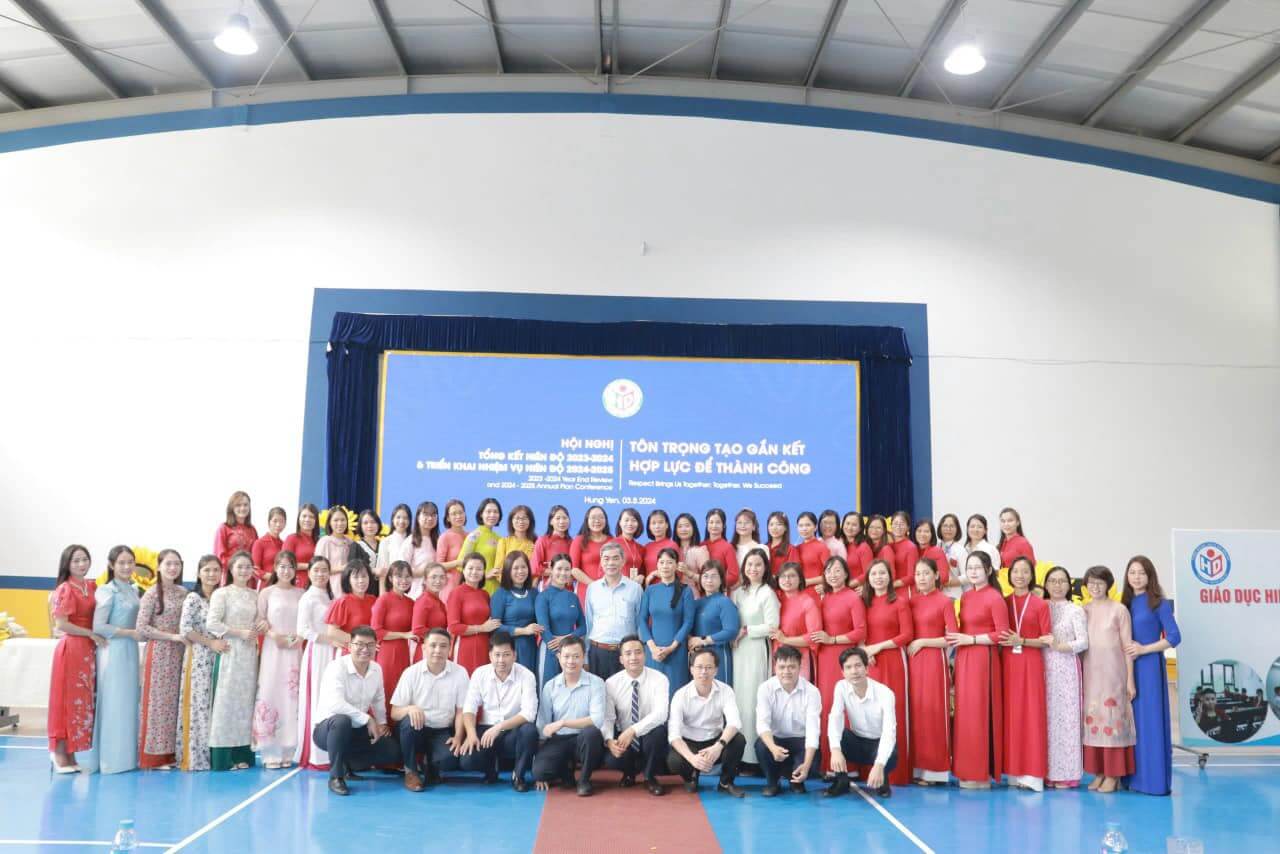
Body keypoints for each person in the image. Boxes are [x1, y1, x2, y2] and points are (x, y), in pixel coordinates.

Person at [312, 625, 401, 796]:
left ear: (376, 646)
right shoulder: (336, 667)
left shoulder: (376, 669)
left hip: (356, 729)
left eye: (370, 645)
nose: (365, 649)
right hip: (328, 730)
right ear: (349, 646)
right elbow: (335, 704)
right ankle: (336, 777)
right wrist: (367, 719)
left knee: (391, 750)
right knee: (342, 720)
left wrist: (382, 723)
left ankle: (349, 764)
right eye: (359, 644)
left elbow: (378, 699)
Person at [947, 550, 1009, 788]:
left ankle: (980, 772)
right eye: (969, 568)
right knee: (964, 714)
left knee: (979, 713)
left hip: (984, 658)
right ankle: (966, 770)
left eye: (977, 568)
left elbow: (1002, 634)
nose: (973, 572)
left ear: (989, 570)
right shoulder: (965, 597)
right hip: (965, 657)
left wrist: (972, 640)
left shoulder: (994, 597)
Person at [81, 545, 142, 775]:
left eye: (130, 562)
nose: (126, 567)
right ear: (112, 565)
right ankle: (111, 760)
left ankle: (127, 758)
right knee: (114, 701)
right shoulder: (107, 591)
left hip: (130, 649)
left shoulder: (133, 589)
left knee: (128, 702)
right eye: (121, 563)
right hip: (113, 649)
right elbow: (99, 626)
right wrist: (129, 633)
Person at [1122, 555, 1180, 796]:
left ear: (1150, 576)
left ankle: (1153, 782)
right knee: (1132, 725)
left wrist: (1144, 649)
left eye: (1141, 573)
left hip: (1149, 669)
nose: (1136, 577)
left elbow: (1174, 637)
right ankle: (1132, 779)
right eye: (1132, 572)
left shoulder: (1159, 603)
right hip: (1126, 669)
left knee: (1151, 723)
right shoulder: (1124, 604)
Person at [390, 628, 469, 791]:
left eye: (443, 646)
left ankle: (430, 765)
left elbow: (461, 711)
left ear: (450, 649)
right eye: (433, 645)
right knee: (408, 722)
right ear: (424, 648)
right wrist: (410, 708)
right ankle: (411, 771)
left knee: (450, 760)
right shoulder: (411, 673)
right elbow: (394, 712)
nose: (438, 650)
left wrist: (458, 736)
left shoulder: (460, 673)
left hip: (442, 730)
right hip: (416, 729)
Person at [207, 550, 265, 771]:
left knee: (245, 704)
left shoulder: (255, 595)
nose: (244, 570)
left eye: (248, 567)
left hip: (249, 655)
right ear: (231, 569)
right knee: (226, 703)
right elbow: (212, 623)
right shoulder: (222, 593)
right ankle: (224, 757)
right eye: (239, 566)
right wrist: (239, 632)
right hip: (230, 652)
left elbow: (259, 620)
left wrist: (262, 624)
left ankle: (243, 754)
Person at [459, 631, 539, 790]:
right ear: (490, 656)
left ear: (514, 655)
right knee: (467, 761)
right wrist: (471, 733)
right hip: (486, 730)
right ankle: (490, 770)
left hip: (512, 730)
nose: (501, 660)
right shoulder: (479, 674)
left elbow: (529, 713)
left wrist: (499, 727)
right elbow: (469, 708)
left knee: (529, 731)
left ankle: (518, 775)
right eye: (497, 655)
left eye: (506, 655)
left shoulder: (526, 676)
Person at [999, 555, 1052, 791]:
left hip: (1030, 662)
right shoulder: (1003, 602)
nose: (1020, 575)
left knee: (1031, 714)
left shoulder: (1040, 604)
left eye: (1025, 571)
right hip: (1007, 662)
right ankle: (1013, 771)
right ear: (1009, 575)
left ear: (1032, 576)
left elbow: (1047, 639)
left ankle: (1032, 773)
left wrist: (1022, 640)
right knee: (1011, 715)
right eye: (1016, 571)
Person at [48, 544, 102, 773]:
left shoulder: (92, 586)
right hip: (71, 648)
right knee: (65, 700)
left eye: (84, 559)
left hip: (88, 651)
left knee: (81, 701)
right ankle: (58, 751)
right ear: (67, 564)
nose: (81, 564)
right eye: (76, 560)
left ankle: (71, 751)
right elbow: (61, 624)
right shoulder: (65, 589)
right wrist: (89, 633)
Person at [667, 646, 747, 797]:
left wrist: (718, 747)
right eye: (699, 667)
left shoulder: (725, 690)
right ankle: (691, 777)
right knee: (674, 761)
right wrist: (692, 758)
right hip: (690, 742)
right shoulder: (680, 695)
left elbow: (734, 722)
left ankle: (725, 782)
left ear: (716, 670)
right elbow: (674, 735)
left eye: (709, 667)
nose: (704, 672)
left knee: (738, 740)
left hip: (715, 740)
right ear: (691, 669)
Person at [861, 558, 913, 787]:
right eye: (874, 574)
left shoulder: (899, 602)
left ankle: (895, 772)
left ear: (890, 577)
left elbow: (907, 635)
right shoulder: (864, 602)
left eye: (882, 573)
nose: (878, 578)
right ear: (868, 578)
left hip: (892, 660)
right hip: (869, 663)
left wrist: (878, 647)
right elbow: (859, 630)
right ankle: (869, 769)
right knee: (870, 714)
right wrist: (865, 650)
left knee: (893, 711)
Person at [1081, 565, 1134, 793]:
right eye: (1091, 582)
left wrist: (1130, 680)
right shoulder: (1083, 610)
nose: (1095, 587)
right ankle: (1099, 772)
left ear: (1108, 585)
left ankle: (1113, 775)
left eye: (1100, 582)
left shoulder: (1119, 610)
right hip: (1090, 674)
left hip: (1114, 674)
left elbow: (1128, 647)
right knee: (1094, 722)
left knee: (1112, 721)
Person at [135, 549, 189, 769]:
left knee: (175, 703)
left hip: (180, 653)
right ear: (159, 567)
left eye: (177, 564)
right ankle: (154, 756)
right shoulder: (151, 594)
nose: (173, 568)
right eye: (168, 564)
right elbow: (141, 627)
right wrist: (171, 636)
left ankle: (172, 753)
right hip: (159, 653)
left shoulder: (183, 593)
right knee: (158, 703)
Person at [533, 636, 607, 796]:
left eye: (576, 656)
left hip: (584, 739)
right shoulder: (550, 686)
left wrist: (563, 723)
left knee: (591, 733)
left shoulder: (597, 683)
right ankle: (566, 770)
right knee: (539, 772)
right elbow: (543, 724)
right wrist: (540, 758)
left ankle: (584, 780)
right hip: (559, 739)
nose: (571, 661)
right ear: (559, 657)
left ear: (583, 656)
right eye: (566, 656)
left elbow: (597, 720)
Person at [813, 556, 866, 771]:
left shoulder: (852, 597)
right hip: (824, 657)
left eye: (837, 570)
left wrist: (833, 639)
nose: (833, 574)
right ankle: (829, 764)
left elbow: (860, 631)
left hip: (844, 657)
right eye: (828, 570)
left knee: (845, 707)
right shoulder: (824, 598)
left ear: (846, 573)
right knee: (827, 706)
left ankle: (848, 766)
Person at [907, 556, 956, 785]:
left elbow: (952, 637)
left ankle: (936, 770)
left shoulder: (945, 601)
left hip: (934, 661)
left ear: (936, 575)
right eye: (918, 574)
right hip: (912, 662)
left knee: (934, 712)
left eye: (926, 573)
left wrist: (924, 641)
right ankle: (917, 768)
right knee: (916, 712)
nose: (922, 578)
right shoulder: (911, 601)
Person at [823, 647, 897, 798]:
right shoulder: (841, 687)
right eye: (848, 667)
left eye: (858, 666)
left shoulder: (885, 693)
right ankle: (842, 781)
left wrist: (879, 765)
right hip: (856, 741)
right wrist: (835, 750)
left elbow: (889, 732)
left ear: (866, 668)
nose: (854, 671)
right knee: (837, 735)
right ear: (843, 672)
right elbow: (835, 718)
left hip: (878, 743)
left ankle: (882, 779)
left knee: (891, 751)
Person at [602, 635, 671, 796]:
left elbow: (661, 714)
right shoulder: (611, 683)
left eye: (638, 652)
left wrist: (633, 730)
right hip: (624, 737)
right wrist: (609, 740)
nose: (633, 657)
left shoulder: (660, 679)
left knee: (658, 732)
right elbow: (608, 718)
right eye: (628, 653)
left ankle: (649, 777)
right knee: (611, 759)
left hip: (649, 734)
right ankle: (629, 774)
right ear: (621, 659)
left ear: (645, 655)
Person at [254, 550, 304, 768]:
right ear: (275, 568)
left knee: (291, 696)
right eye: (282, 566)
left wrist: (293, 639)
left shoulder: (301, 593)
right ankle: (270, 750)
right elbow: (260, 621)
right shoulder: (267, 593)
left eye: (290, 566)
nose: (286, 571)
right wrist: (275, 636)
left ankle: (289, 748)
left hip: (295, 650)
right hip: (273, 649)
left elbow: (306, 624)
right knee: (270, 691)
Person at [176, 555, 226, 771]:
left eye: (216, 570)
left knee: (216, 703)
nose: (212, 574)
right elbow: (186, 629)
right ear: (198, 573)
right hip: (200, 656)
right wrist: (210, 643)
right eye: (207, 570)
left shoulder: (221, 596)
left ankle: (217, 755)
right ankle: (197, 757)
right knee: (199, 704)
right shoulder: (193, 598)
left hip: (221, 656)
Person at [732, 547, 780, 767]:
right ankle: (738, 755)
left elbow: (772, 626)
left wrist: (746, 630)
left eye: (758, 565)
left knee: (753, 700)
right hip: (737, 651)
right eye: (749, 564)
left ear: (765, 568)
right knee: (738, 699)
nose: (753, 568)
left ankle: (753, 758)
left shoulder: (767, 593)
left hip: (756, 649)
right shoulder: (738, 592)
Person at [755, 644, 821, 797]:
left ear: (800, 667)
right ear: (775, 667)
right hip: (776, 740)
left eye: (792, 667)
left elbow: (813, 730)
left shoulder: (812, 692)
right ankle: (772, 782)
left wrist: (807, 765)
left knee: (813, 758)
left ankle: (796, 781)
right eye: (782, 667)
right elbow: (762, 723)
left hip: (800, 741)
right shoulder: (765, 688)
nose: (786, 672)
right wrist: (773, 747)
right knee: (761, 745)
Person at [1043, 566, 1088, 788]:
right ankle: (1046, 771)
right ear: (1046, 584)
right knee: (1046, 720)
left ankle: (1066, 773)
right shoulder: (1040, 607)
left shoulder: (1075, 610)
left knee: (1066, 719)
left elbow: (1083, 642)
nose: (1057, 585)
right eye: (1053, 580)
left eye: (1062, 581)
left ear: (1069, 585)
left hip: (1065, 668)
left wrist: (1060, 646)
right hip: (1042, 668)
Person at [295, 557, 336, 770]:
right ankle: (316, 755)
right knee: (317, 698)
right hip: (317, 652)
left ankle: (332, 751)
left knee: (331, 699)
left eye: (324, 570)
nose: (321, 574)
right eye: (317, 570)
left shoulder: (330, 596)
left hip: (333, 651)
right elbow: (302, 630)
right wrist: (327, 640)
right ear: (309, 572)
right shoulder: (308, 598)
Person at [638, 546, 695, 698]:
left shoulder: (685, 590)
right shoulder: (650, 590)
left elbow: (688, 622)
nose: (665, 566)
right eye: (661, 562)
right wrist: (652, 647)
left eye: (670, 562)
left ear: (676, 565)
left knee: (675, 693)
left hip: (676, 650)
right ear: (657, 565)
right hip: (653, 651)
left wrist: (671, 647)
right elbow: (642, 619)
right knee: (653, 694)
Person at [584, 541, 643, 681]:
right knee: (599, 693)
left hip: (626, 653)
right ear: (601, 562)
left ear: (623, 561)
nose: (611, 563)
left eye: (616, 558)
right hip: (598, 652)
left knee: (625, 694)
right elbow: (588, 623)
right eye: (606, 558)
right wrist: (585, 655)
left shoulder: (635, 589)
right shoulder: (592, 588)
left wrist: (640, 653)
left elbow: (640, 624)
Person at [372, 561, 417, 719]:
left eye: (407, 576)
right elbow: (376, 631)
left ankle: (398, 725)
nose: (403, 580)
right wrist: (403, 635)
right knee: (387, 686)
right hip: (387, 651)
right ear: (390, 578)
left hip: (404, 652)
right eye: (399, 576)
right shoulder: (383, 600)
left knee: (402, 687)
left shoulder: (411, 603)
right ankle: (383, 723)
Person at [535, 554, 585, 685]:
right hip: (550, 651)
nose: (563, 573)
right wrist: (559, 653)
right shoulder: (543, 597)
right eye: (559, 569)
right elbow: (544, 630)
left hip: (570, 653)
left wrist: (566, 640)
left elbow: (583, 627)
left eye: (567, 569)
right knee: (547, 690)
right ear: (551, 569)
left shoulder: (573, 597)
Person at [490, 552, 542, 673]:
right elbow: (495, 628)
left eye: (524, 567)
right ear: (508, 570)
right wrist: (523, 630)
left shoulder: (534, 592)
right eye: (516, 568)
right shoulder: (500, 594)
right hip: (508, 648)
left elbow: (541, 619)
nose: (520, 571)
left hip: (530, 647)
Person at [689, 561, 740, 684]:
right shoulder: (697, 603)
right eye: (705, 576)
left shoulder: (725, 602)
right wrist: (691, 639)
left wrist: (704, 640)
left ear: (721, 580)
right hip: (698, 656)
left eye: (714, 576)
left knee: (719, 690)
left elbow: (731, 630)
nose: (709, 580)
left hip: (718, 654)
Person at [448, 553, 500, 674]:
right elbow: (453, 627)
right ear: (463, 570)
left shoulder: (484, 594)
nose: (474, 572)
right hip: (465, 647)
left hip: (485, 646)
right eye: (470, 568)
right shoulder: (456, 593)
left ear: (483, 572)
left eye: (479, 569)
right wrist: (482, 628)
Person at [771, 561, 821, 681]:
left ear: (800, 579)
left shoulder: (808, 602)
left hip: (800, 658)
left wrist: (785, 640)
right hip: (778, 657)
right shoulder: (775, 599)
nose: (787, 580)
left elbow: (813, 637)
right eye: (783, 576)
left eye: (792, 576)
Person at [325, 558, 376, 654]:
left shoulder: (373, 600)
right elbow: (332, 632)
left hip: (370, 653)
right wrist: (361, 642)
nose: (361, 580)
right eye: (356, 577)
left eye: (364, 576)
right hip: (349, 653)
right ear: (348, 580)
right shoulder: (342, 602)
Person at [458, 497, 504, 594]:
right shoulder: (474, 536)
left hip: (497, 589)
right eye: (488, 511)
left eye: (495, 512)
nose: (492, 515)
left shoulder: (500, 539)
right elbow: (461, 564)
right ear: (481, 514)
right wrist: (484, 575)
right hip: (479, 589)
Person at [570, 504, 612, 607]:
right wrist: (595, 585)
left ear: (606, 520)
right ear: (587, 521)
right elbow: (574, 569)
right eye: (593, 517)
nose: (597, 520)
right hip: (586, 590)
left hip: (610, 590)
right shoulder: (579, 540)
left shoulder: (613, 541)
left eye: (601, 517)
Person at [492, 504, 537, 589]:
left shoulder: (535, 544)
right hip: (507, 588)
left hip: (528, 589)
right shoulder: (504, 542)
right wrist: (512, 586)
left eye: (524, 518)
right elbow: (498, 570)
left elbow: (535, 571)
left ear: (530, 521)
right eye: (517, 518)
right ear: (511, 521)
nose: (521, 521)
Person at [214, 490, 257, 578]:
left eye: (245, 505)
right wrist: (237, 568)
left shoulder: (252, 529)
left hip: (248, 576)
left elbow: (255, 555)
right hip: (229, 575)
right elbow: (220, 557)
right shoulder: (224, 528)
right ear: (232, 507)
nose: (242, 508)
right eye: (238, 505)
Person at [410, 563, 449, 660]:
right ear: (425, 580)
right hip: (427, 652)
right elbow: (417, 630)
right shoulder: (423, 601)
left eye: (442, 577)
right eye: (433, 577)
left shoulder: (439, 602)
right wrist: (441, 637)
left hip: (438, 650)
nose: (438, 581)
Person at [402, 501, 439, 598]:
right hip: (415, 593)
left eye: (433, 515)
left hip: (436, 594)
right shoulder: (411, 541)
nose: (430, 518)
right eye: (425, 514)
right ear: (418, 517)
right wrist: (424, 571)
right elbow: (401, 570)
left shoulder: (439, 540)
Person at [316, 506, 353, 596]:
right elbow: (318, 569)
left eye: (343, 520)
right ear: (329, 522)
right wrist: (343, 568)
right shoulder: (325, 542)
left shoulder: (350, 542)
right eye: (336, 520)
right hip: (331, 589)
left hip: (349, 588)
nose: (340, 523)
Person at [436, 499, 469, 600]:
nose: (458, 516)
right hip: (450, 588)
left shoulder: (471, 536)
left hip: (468, 587)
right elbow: (438, 566)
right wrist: (458, 563)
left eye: (461, 512)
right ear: (448, 518)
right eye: (454, 514)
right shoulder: (445, 537)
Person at [283, 503, 320, 588]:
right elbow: (285, 563)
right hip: (296, 584)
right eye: (304, 516)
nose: (307, 519)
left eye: (311, 517)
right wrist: (311, 566)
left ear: (316, 521)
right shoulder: (291, 538)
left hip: (316, 584)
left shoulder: (319, 541)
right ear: (298, 518)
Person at [534, 505, 573, 585]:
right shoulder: (543, 541)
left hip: (568, 588)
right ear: (551, 521)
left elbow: (575, 568)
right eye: (558, 518)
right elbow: (535, 567)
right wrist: (558, 572)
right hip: (549, 587)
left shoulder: (572, 542)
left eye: (565, 518)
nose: (562, 521)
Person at [702, 508, 740, 589]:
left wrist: (717, 583)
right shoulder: (701, 545)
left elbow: (734, 575)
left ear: (724, 525)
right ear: (707, 525)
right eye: (711, 522)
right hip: (701, 593)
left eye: (718, 522)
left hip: (719, 591)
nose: (714, 525)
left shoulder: (727, 547)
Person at [251, 507, 287, 590]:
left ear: (285, 524)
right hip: (266, 587)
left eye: (281, 521)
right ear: (269, 522)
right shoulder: (259, 543)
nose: (278, 524)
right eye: (275, 521)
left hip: (282, 587)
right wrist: (273, 577)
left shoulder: (284, 544)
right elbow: (255, 569)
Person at [377, 503, 413, 580]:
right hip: (391, 584)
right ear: (392, 519)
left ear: (410, 521)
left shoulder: (414, 540)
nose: (401, 521)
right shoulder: (385, 542)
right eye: (398, 517)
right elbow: (383, 572)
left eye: (405, 518)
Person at [795, 512, 828, 592]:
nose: (804, 529)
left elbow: (830, 573)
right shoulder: (796, 548)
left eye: (808, 525)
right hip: (799, 592)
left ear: (815, 527)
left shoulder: (822, 547)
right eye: (801, 526)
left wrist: (808, 582)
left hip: (817, 591)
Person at [936, 513, 966, 599]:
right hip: (936, 595)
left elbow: (967, 576)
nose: (948, 529)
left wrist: (947, 583)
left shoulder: (960, 550)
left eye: (952, 526)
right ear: (940, 528)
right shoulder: (935, 546)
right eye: (945, 526)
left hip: (953, 595)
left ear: (957, 529)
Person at [612, 508, 647, 583]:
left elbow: (643, 571)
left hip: (635, 587)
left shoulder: (641, 548)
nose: (630, 523)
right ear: (620, 523)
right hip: (617, 587)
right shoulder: (612, 544)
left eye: (633, 520)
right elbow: (602, 571)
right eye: (626, 520)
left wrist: (642, 576)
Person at [887, 512, 919, 594]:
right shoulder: (888, 545)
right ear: (891, 526)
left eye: (902, 524)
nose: (898, 526)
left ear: (908, 527)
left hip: (904, 591)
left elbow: (912, 576)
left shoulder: (911, 547)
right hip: (888, 590)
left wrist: (891, 585)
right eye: (895, 523)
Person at [642, 509, 678, 580]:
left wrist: (655, 574)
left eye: (660, 522)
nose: (657, 526)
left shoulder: (672, 545)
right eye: (653, 523)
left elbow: (678, 572)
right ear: (649, 527)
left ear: (667, 525)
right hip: (648, 586)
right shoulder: (646, 547)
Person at [355, 510, 385, 594]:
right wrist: (373, 570)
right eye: (365, 523)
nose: (369, 525)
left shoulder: (384, 544)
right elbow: (353, 569)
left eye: (373, 522)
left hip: (383, 590)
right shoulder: (356, 546)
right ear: (360, 526)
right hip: (363, 591)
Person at [862, 516, 896, 589]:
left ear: (884, 530)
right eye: (871, 527)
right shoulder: (866, 546)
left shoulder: (886, 549)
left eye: (878, 528)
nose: (874, 530)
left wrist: (867, 587)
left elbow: (891, 576)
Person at [765, 512, 800, 577]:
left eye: (779, 524)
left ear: (785, 528)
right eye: (771, 524)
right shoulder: (764, 547)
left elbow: (794, 572)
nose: (774, 528)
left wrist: (776, 577)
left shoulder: (791, 549)